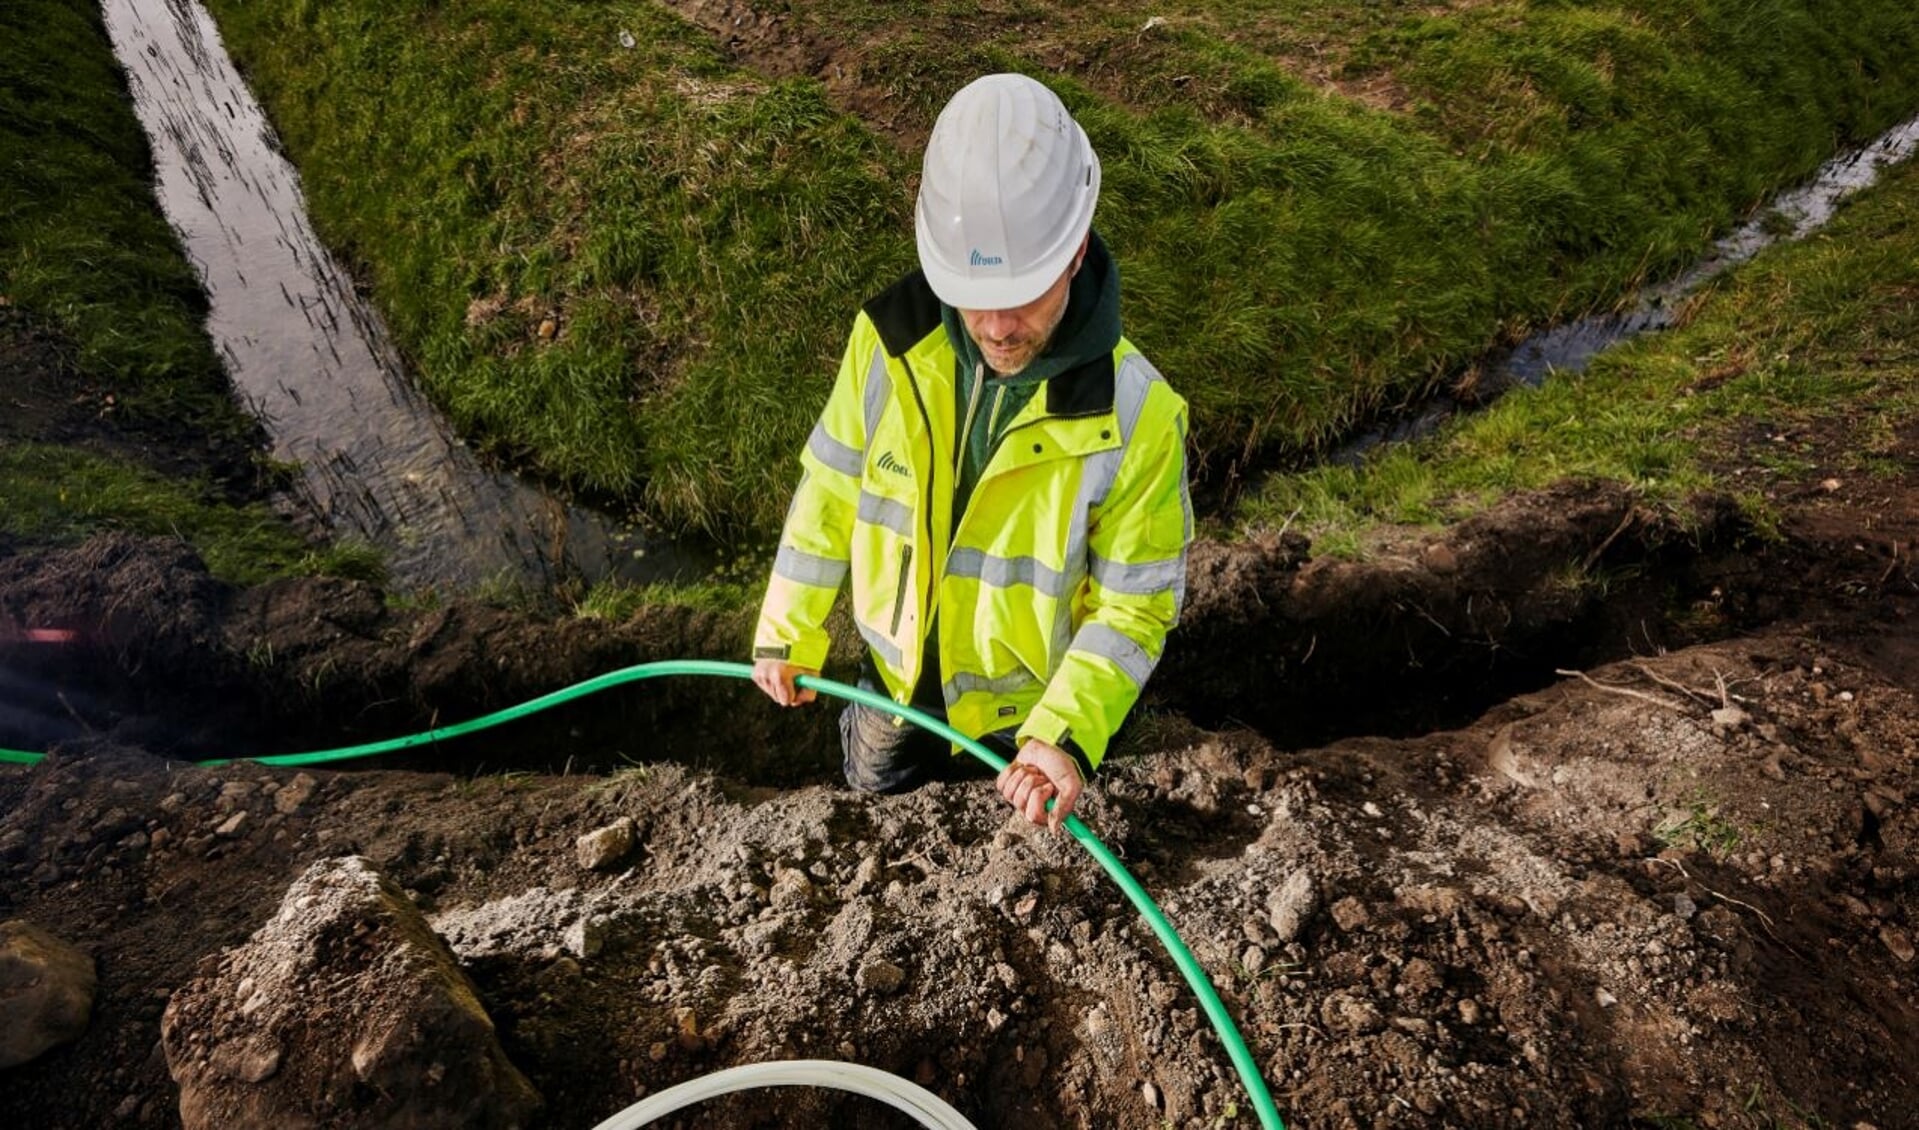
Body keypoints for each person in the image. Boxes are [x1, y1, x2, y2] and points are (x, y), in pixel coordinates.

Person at [751, 73, 1191, 831]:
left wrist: (1065, 736)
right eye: (971, 293)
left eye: (1022, 293)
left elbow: (1135, 606)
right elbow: (830, 486)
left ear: (1074, 250)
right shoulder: (887, 346)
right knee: (873, 827)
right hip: (888, 689)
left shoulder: (1139, 416)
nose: (994, 326)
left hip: (1024, 724)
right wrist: (791, 626)